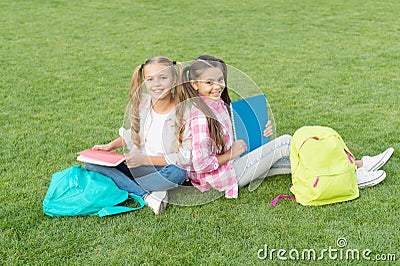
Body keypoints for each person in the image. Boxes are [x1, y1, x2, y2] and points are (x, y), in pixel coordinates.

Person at [182, 55, 394, 198]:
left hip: (234, 162)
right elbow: (201, 164)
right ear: (195, 85)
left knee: (292, 161)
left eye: (220, 80)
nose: (217, 86)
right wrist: (232, 153)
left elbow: (232, 134)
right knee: (286, 144)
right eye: (209, 83)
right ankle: (355, 172)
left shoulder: (217, 104)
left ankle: (356, 167)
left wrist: (259, 134)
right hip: (220, 177)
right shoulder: (200, 116)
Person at [85, 56, 191, 215]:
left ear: (175, 79)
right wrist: (110, 146)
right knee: (92, 164)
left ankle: (130, 187)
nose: (156, 84)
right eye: (150, 79)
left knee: (178, 172)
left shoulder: (183, 112)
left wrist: (144, 159)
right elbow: (134, 134)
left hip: (166, 168)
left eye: (163, 78)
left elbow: (185, 156)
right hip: (141, 167)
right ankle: (149, 195)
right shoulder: (143, 103)